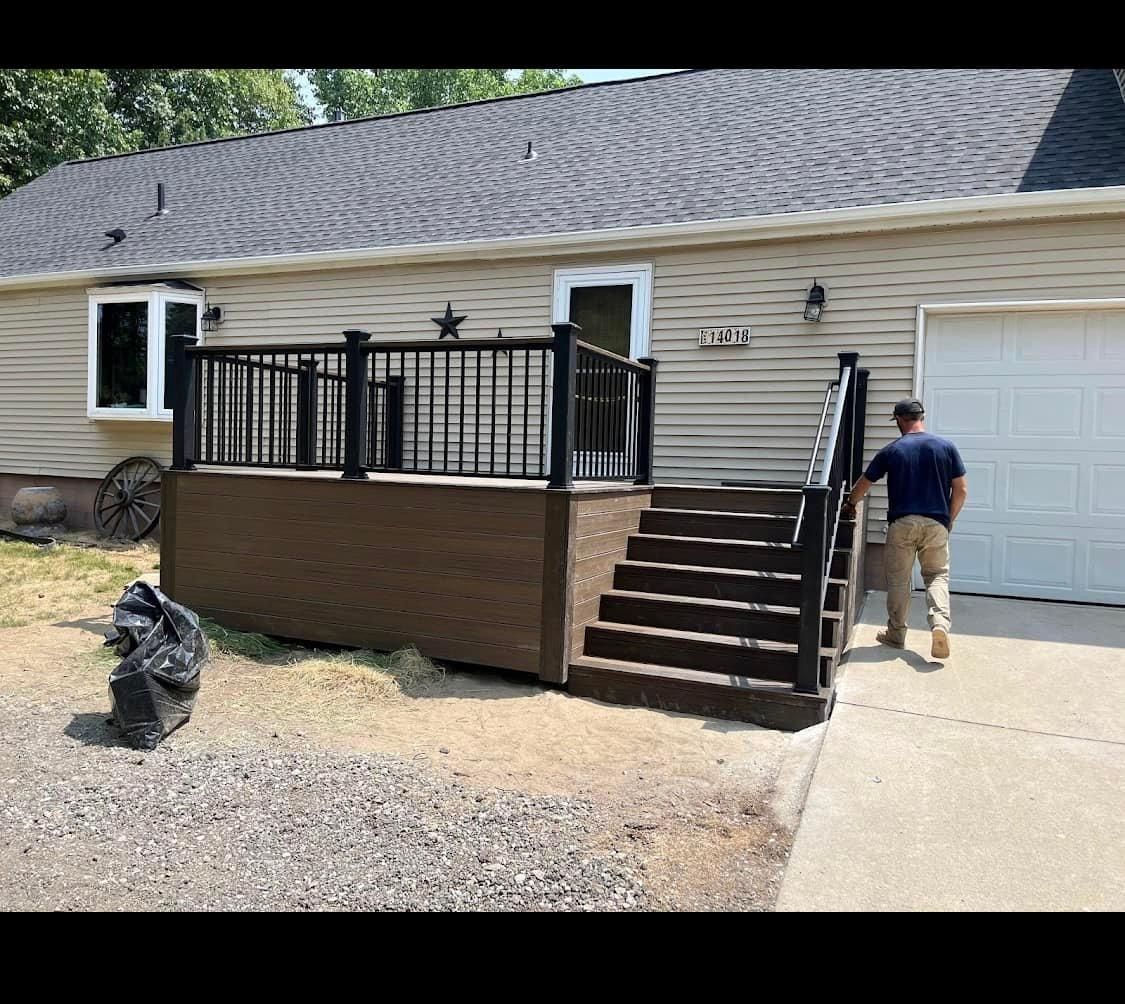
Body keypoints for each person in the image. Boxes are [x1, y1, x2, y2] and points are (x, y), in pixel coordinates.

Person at [843, 398, 968, 660]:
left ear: (900, 419)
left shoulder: (893, 450)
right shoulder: (946, 447)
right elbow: (961, 490)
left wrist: (851, 503)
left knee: (899, 581)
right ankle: (940, 625)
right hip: (936, 523)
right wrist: (948, 520)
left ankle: (896, 634)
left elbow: (865, 483)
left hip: (902, 524)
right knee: (936, 576)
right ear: (921, 417)